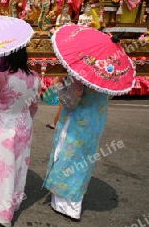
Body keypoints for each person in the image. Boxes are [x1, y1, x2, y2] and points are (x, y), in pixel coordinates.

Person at [0, 47, 41, 227]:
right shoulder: (35, 77)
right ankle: (14, 202)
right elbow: (34, 106)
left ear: (7, 57)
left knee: (2, 169)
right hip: (24, 125)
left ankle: (2, 213)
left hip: (4, 127)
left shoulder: (1, 78)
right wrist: (27, 121)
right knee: (19, 166)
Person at [43, 76, 109, 222]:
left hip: (75, 125)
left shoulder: (80, 76)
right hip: (94, 125)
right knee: (82, 163)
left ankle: (66, 205)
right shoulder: (104, 76)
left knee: (66, 161)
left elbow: (69, 103)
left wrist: (59, 85)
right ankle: (73, 203)